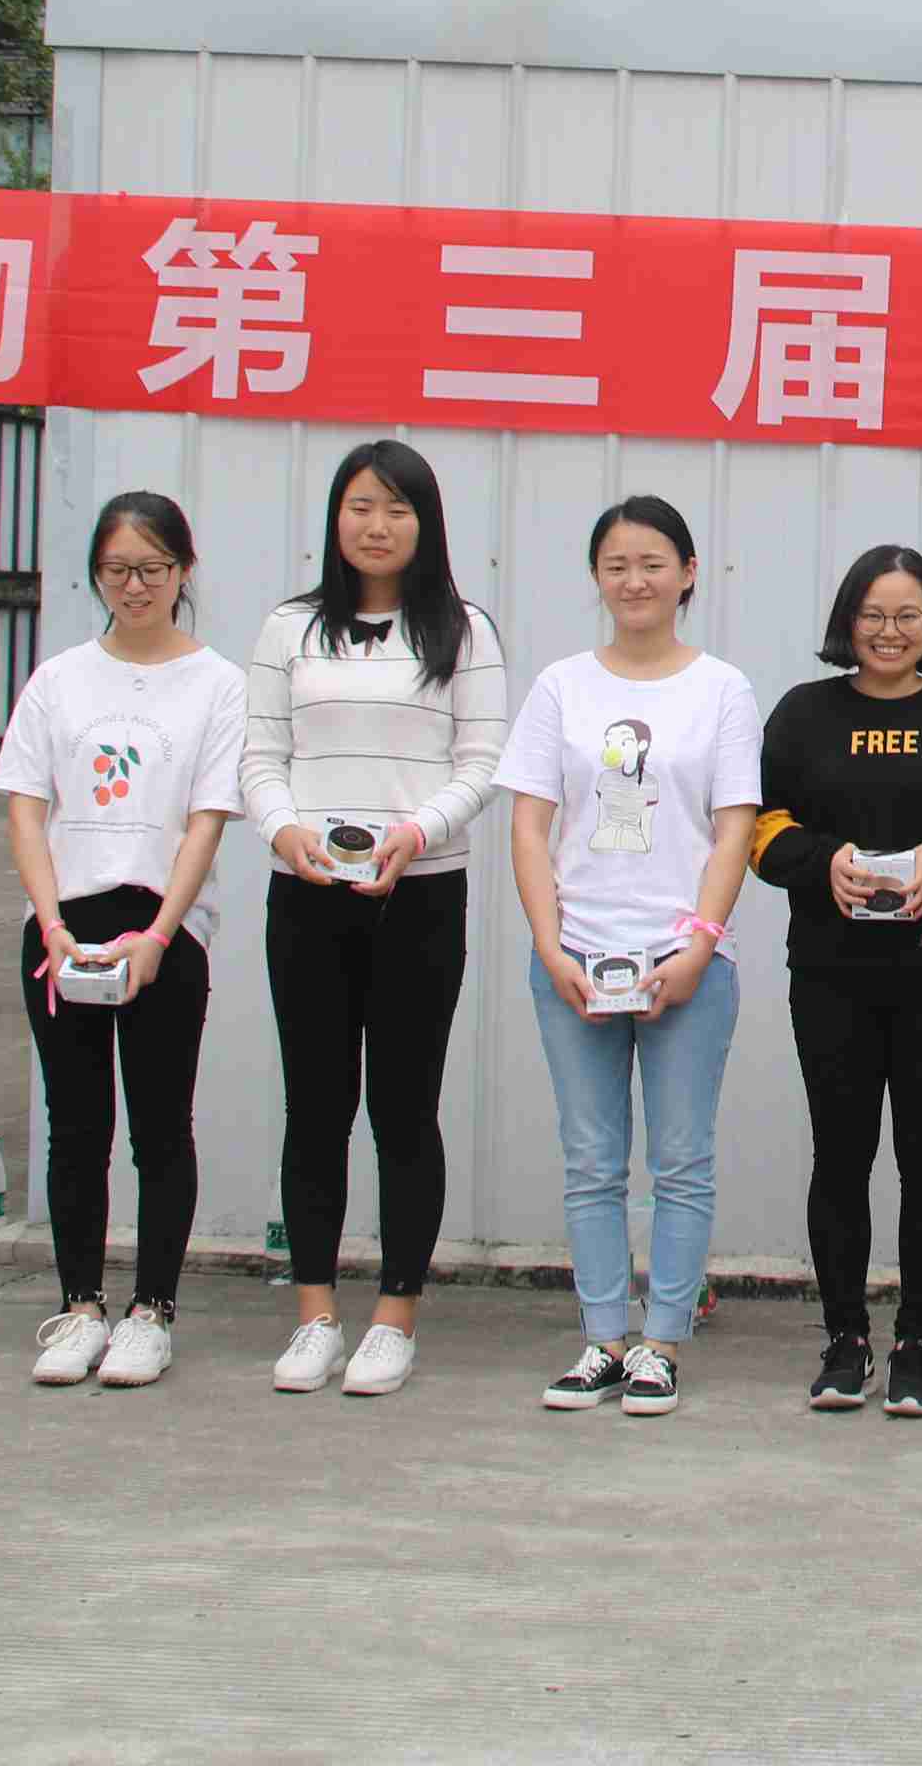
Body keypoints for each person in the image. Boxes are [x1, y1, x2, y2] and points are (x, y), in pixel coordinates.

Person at [245, 438, 508, 1400]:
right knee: (315, 1106)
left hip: (421, 895)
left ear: (426, 523)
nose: (377, 525)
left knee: (404, 1107)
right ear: (336, 518)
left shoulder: (463, 631)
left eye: (398, 508)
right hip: (308, 893)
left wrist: (416, 833)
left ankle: (396, 1316)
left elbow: (483, 761)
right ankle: (315, 1314)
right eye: (360, 506)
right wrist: (285, 833)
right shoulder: (289, 628)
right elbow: (259, 756)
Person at [498, 496, 761, 1420]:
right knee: (591, 1161)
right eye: (616, 565)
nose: (635, 580)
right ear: (596, 578)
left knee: (681, 1161)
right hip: (576, 957)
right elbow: (529, 826)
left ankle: (664, 1342)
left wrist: (698, 946)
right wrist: (549, 946)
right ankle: (603, 1338)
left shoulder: (722, 689)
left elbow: (734, 829)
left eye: (653, 564)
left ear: (688, 574)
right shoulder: (561, 687)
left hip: (685, 962)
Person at [756, 544, 922, 1420]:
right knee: (840, 1155)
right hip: (829, 973)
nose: (889, 631)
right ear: (848, 621)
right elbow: (759, 827)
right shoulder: (803, 713)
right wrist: (821, 863)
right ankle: (845, 1338)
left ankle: (916, 1343)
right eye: (873, 615)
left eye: (908, 615)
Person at [0, 491, 246, 1391]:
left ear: (183, 571)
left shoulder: (217, 683)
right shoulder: (59, 679)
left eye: (152, 569)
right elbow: (27, 808)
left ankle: (152, 1310)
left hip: (163, 929)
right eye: (116, 570)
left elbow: (207, 818)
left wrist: (163, 932)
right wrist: (52, 924)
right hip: (66, 926)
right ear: (95, 576)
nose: (134, 587)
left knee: (160, 1126)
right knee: (75, 1126)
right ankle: (81, 1305)